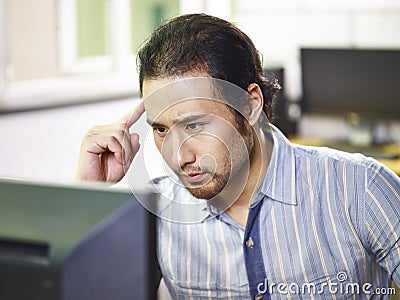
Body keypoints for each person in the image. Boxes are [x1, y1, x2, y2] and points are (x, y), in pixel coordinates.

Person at [76, 13, 400, 299]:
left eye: (195, 125)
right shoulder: (157, 213)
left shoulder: (362, 189)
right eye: (161, 130)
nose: (178, 156)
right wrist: (85, 197)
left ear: (250, 104)